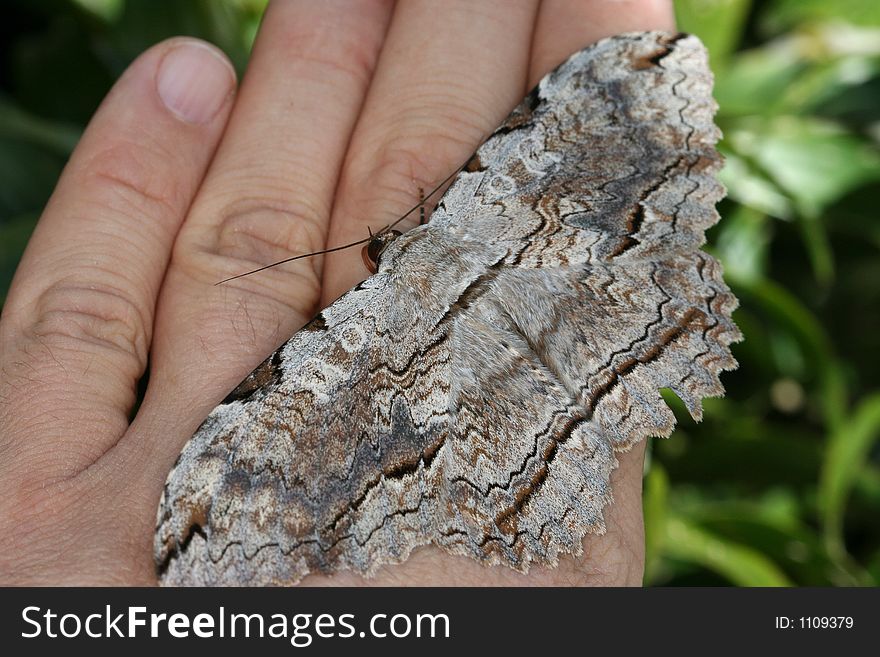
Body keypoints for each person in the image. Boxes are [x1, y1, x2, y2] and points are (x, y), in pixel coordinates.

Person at [0, 0, 675, 585]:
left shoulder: (360, 329)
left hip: (504, 430)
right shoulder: (471, 211)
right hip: (582, 314)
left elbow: (254, 469)